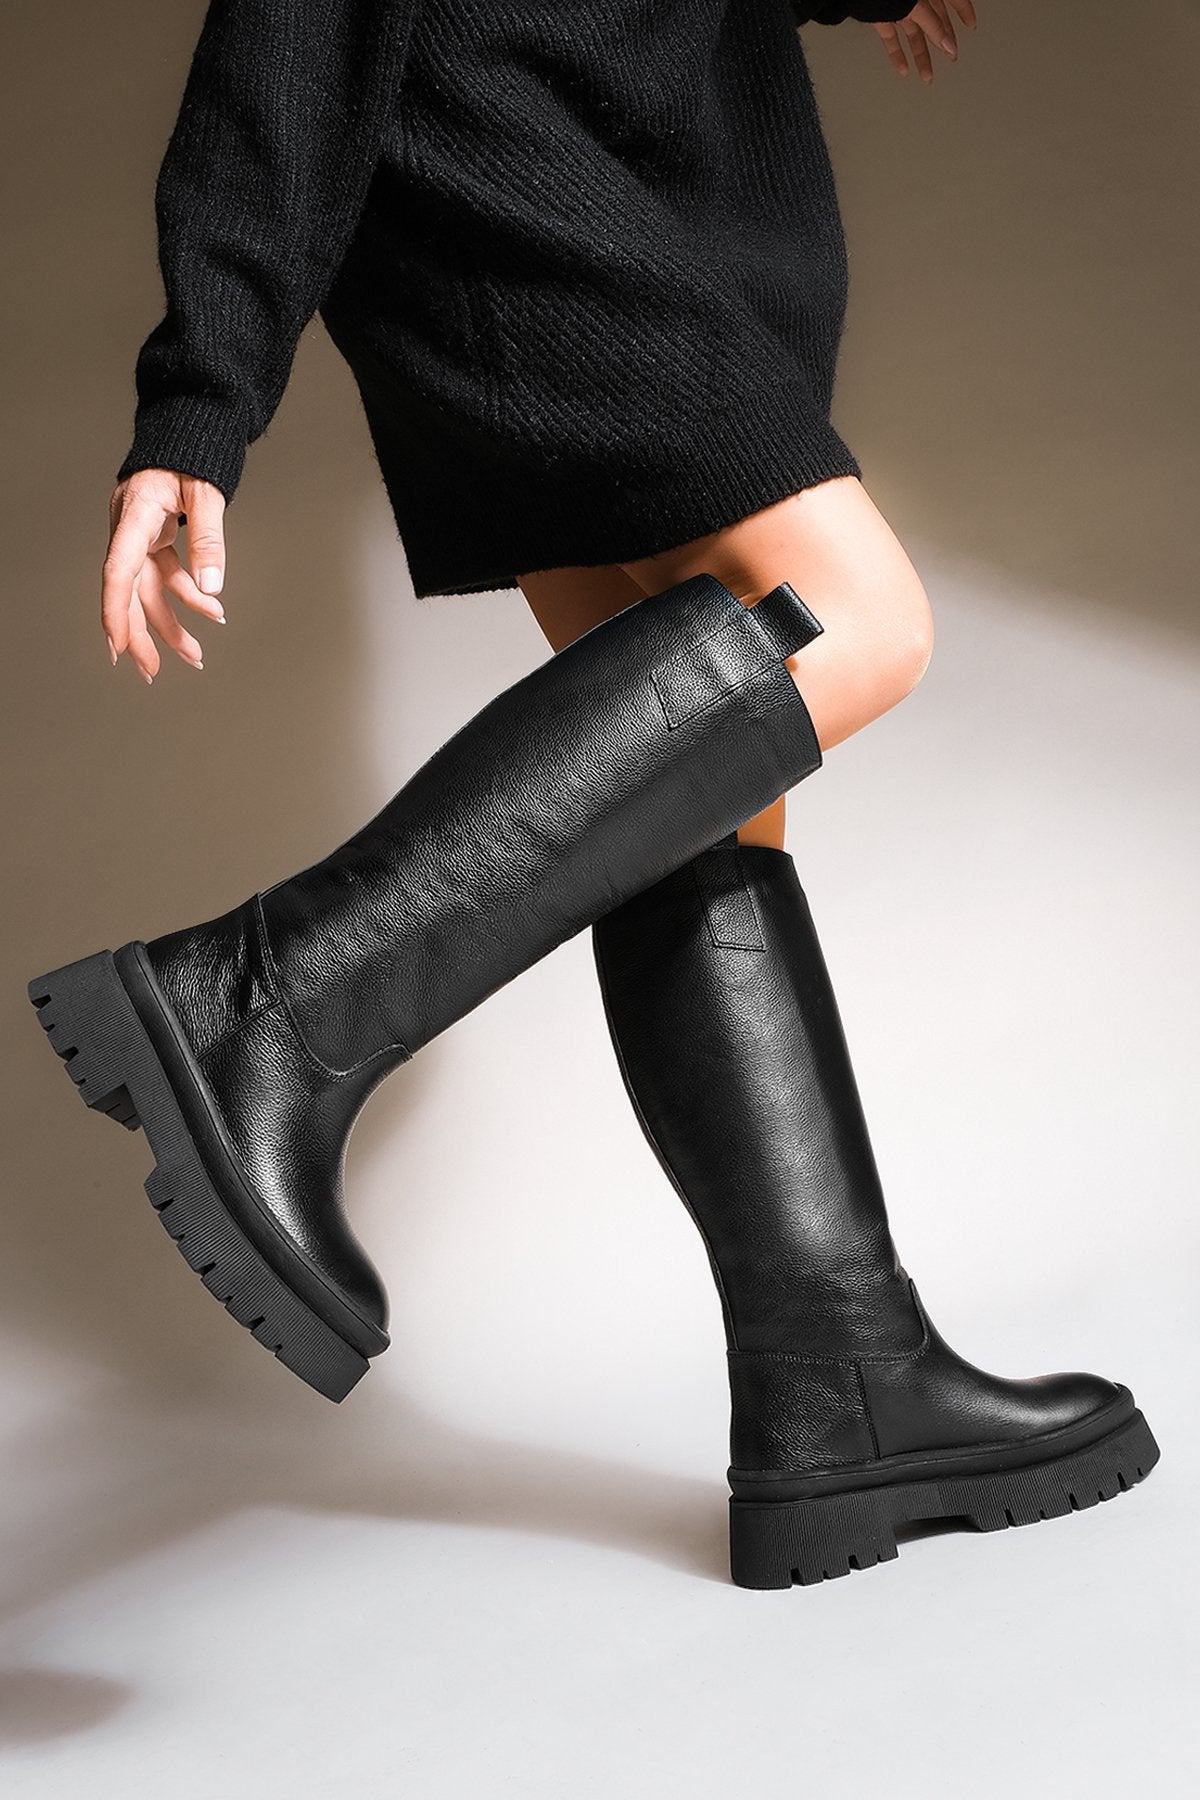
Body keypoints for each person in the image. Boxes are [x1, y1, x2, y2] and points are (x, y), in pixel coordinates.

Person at [30, 0, 1158, 1589]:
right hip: (500, 148)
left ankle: (833, 1379)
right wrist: (199, 395)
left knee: (699, 784)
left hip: (654, 142)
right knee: (855, 622)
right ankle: (263, 1009)